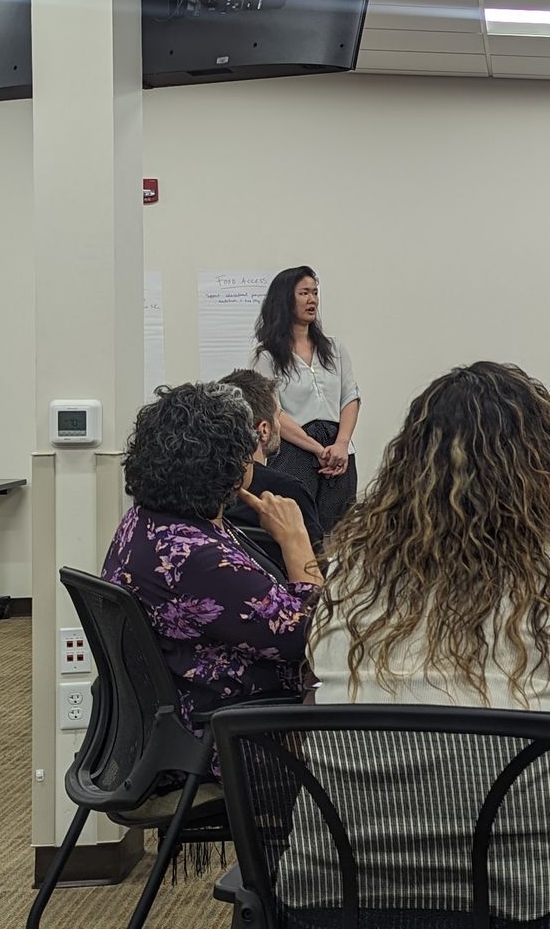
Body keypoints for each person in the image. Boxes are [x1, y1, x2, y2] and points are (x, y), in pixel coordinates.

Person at [304, 362, 550, 925]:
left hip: (335, 897)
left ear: (408, 465)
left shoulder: (348, 570)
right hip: (532, 900)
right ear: (543, 466)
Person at [103, 382, 322, 770]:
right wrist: (295, 540)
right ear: (230, 466)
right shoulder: (196, 558)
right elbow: (313, 637)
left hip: (179, 725)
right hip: (229, 737)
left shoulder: (146, 522)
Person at [250, 265, 361, 533]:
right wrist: (316, 448)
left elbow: (350, 397)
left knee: (338, 533)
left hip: (339, 454)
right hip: (295, 453)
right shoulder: (266, 357)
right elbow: (273, 412)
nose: (312, 300)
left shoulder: (335, 348)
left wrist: (341, 445)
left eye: (315, 292)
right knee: (299, 531)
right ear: (286, 300)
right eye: (304, 293)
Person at [219, 368, 324, 559]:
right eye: (278, 416)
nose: (280, 425)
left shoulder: (202, 486)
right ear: (264, 430)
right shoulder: (288, 491)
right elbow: (316, 566)